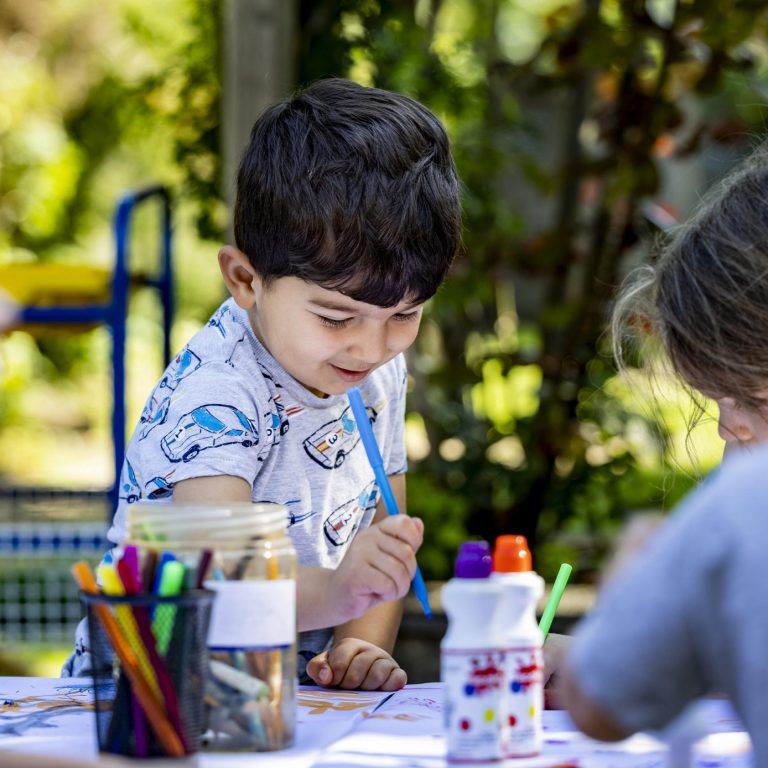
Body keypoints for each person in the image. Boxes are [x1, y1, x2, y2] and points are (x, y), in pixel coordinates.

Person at [63, 77, 462, 691]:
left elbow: (383, 538)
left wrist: (358, 646)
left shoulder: (372, 362)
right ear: (245, 280)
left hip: (281, 701)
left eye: (405, 315)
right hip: (153, 699)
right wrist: (336, 590)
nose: (373, 347)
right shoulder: (217, 396)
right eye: (335, 317)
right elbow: (222, 580)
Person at [560, 146, 768, 760]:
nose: (731, 428)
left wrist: (629, 593)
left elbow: (599, 708)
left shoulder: (745, 506)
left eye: (747, 396)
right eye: (716, 401)